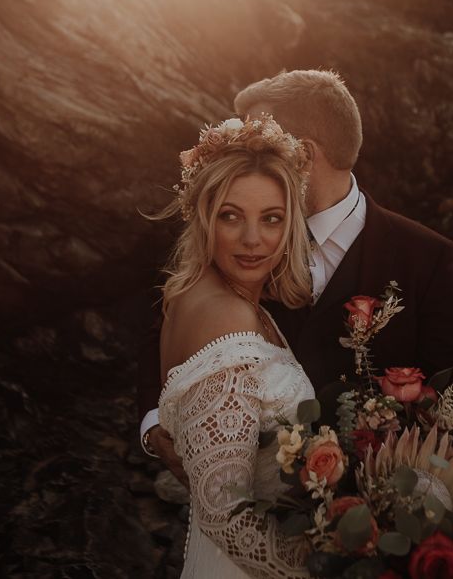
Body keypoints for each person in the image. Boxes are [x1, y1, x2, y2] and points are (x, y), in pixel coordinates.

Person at [140, 70, 453, 484]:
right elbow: (175, 320)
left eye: (264, 137)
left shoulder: (426, 257)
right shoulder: (244, 236)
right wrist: (154, 423)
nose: (251, 153)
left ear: (306, 154)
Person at [156, 116, 313, 577]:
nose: (252, 239)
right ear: (204, 216)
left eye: (271, 218)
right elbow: (223, 514)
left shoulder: (201, 299)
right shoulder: (225, 315)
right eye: (231, 216)